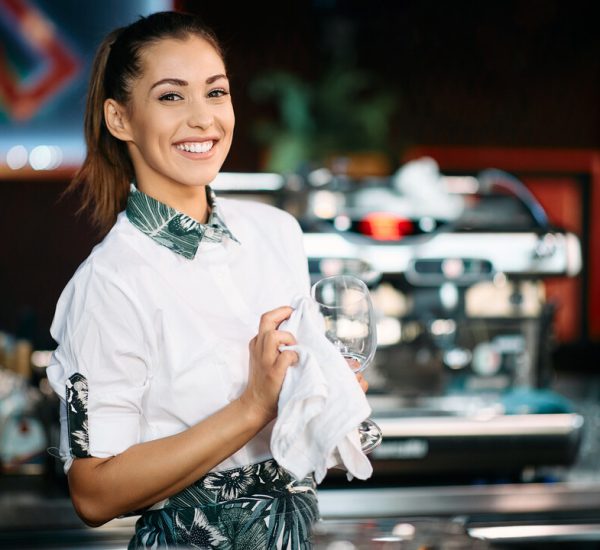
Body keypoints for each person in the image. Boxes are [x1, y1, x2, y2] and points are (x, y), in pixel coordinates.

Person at [47, 10, 367, 549]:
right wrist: (253, 406)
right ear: (120, 119)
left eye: (215, 93)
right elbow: (92, 493)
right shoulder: (109, 281)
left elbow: (296, 438)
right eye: (172, 97)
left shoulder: (276, 233)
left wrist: (327, 397)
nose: (204, 119)